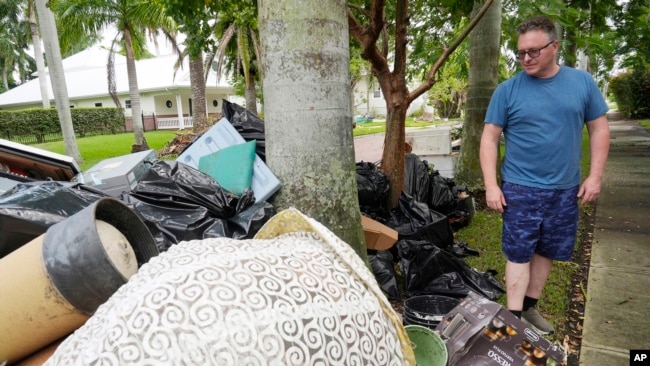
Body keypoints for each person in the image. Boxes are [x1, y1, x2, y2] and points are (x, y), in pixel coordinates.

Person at [480, 14, 610, 335]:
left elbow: (599, 129)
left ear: (555, 46)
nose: (525, 59)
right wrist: (491, 185)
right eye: (520, 52)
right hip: (520, 189)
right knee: (519, 252)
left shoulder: (582, 83)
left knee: (548, 249)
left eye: (533, 52)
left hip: (565, 190)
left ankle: (528, 308)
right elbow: (489, 138)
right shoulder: (507, 91)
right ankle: (511, 323)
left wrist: (595, 176)